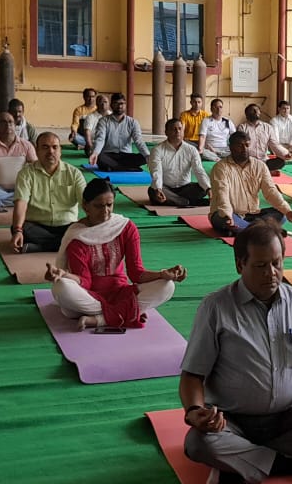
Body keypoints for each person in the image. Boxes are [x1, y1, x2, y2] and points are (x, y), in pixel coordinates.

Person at [179, 223, 292, 484]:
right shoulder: (215, 307)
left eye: (276, 263)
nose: (271, 273)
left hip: (286, 418)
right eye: (260, 266)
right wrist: (194, 411)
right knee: (198, 443)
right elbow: (193, 374)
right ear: (240, 265)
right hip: (231, 421)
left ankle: (246, 464)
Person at [47, 179, 186, 329]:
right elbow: (86, 282)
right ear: (85, 206)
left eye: (109, 205)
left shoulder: (125, 227)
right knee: (61, 287)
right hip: (89, 295)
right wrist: (64, 275)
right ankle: (129, 311)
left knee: (167, 286)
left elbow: (136, 273)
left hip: (121, 292)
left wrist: (162, 274)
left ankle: (101, 319)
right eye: (98, 206)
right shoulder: (77, 237)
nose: (105, 211)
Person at [209, 131, 292, 236]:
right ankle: (265, 230)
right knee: (223, 219)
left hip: (253, 214)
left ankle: (247, 230)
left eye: (247, 145)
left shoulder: (260, 166)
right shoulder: (220, 168)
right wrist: (228, 216)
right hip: (229, 214)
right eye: (240, 146)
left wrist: (287, 211)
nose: (245, 149)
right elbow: (222, 195)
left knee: (282, 214)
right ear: (231, 147)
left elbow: (271, 191)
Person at [11, 132, 86, 253]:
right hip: (37, 226)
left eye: (55, 147)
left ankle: (41, 247)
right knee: (21, 229)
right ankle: (65, 244)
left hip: (67, 225)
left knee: (83, 229)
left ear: (60, 151)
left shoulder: (74, 173)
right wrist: (18, 230)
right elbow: (21, 204)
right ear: (37, 151)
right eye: (45, 147)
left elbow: (86, 202)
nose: (51, 151)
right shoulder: (26, 174)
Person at [148, 118, 211, 207]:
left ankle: (175, 201)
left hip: (185, 188)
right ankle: (187, 202)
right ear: (166, 132)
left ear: (183, 131)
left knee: (203, 188)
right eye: (173, 129)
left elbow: (199, 170)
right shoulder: (157, 150)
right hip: (165, 188)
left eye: (180, 129)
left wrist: (208, 189)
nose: (177, 131)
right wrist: (158, 188)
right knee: (152, 191)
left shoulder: (191, 150)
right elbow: (156, 171)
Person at [90, 93, 149, 171]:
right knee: (99, 157)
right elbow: (100, 139)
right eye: (116, 103)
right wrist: (95, 153)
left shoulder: (133, 122)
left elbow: (139, 141)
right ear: (111, 105)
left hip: (126, 156)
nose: (119, 106)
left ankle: (114, 167)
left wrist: (147, 155)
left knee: (144, 156)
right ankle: (127, 168)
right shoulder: (103, 121)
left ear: (125, 105)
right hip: (109, 155)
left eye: (122, 103)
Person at [237, 103, 288, 173]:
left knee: (281, 161)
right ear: (247, 114)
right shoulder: (242, 127)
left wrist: (286, 154)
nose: (255, 112)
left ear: (260, 113)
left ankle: (262, 171)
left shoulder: (268, 127)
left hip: (264, 161)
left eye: (257, 110)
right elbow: (241, 147)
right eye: (252, 110)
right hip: (248, 161)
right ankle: (266, 171)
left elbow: (275, 145)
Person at [82, 94, 110, 159]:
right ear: (97, 104)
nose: (103, 104)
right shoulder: (90, 117)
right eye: (101, 102)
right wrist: (90, 145)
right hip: (95, 143)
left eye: (105, 102)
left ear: (109, 104)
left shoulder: (113, 116)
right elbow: (87, 132)